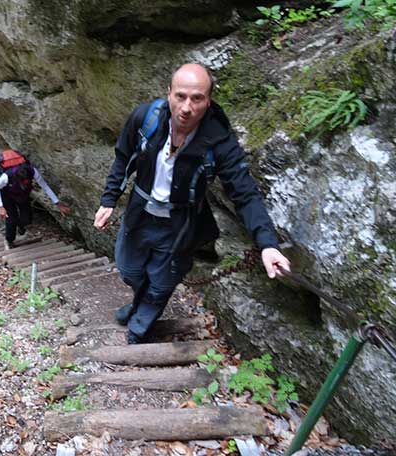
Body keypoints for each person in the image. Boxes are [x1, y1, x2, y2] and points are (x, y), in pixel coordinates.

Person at [93, 63, 290, 344]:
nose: (187, 107)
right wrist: (109, 198)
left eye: (197, 98)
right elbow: (124, 156)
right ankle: (139, 303)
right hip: (139, 214)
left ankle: (139, 326)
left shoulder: (219, 141)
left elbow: (244, 193)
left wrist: (268, 243)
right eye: (181, 96)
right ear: (169, 93)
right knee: (130, 270)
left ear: (208, 101)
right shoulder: (145, 119)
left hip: (180, 224)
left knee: (160, 284)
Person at [0, 159, 71, 249]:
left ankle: (20, 225)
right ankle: (9, 240)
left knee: (27, 218)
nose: (25, 182)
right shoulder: (7, 176)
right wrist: (1, 207)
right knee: (11, 219)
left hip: (22, 194)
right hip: (7, 195)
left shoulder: (32, 171)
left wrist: (58, 203)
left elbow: (45, 186)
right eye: (23, 182)